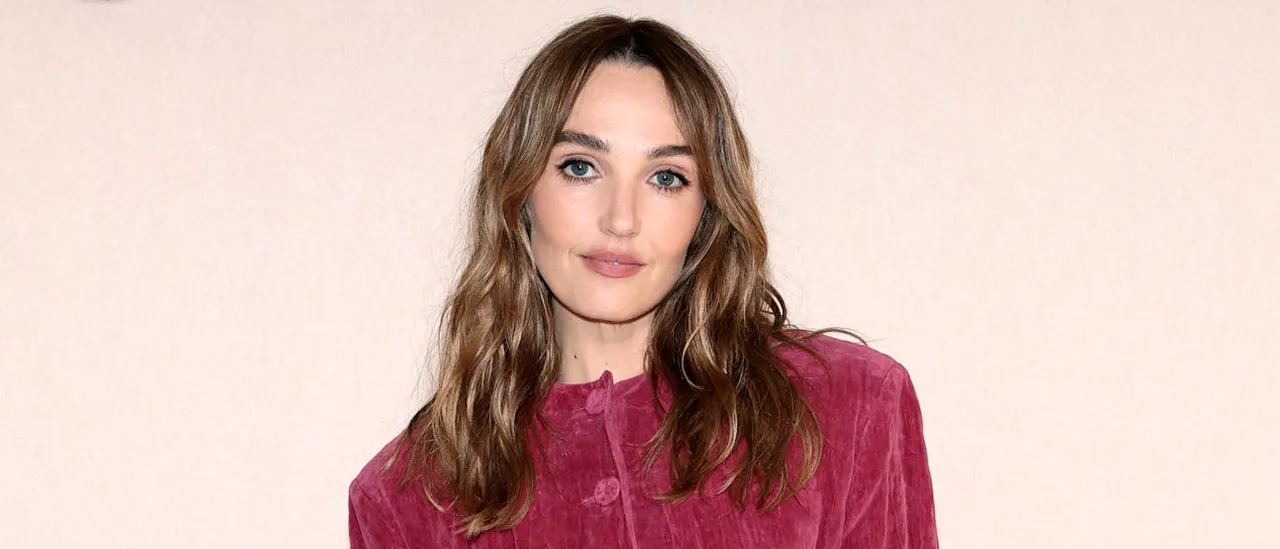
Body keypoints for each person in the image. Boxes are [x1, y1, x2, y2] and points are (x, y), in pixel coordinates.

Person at [348, 14, 937, 549]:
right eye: (581, 167)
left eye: (666, 177)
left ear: (707, 211)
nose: (621, 220)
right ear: (520, 191)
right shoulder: (411, 500)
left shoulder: (850, 409)